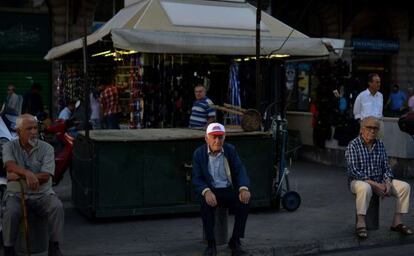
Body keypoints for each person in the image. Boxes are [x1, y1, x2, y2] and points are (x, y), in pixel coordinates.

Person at [1, 114, 64, 256]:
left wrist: (18, 175)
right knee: (10, 212)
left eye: (36, 128)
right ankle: (8, 248)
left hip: (42, 194)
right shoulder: (9, 146)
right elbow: (10, 166)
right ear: (18, 132)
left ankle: (54, 246)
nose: (34, 132)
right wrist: (28, 174)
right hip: (17, 194)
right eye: (29, 129)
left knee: (57, 207)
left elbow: (45, 176)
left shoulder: (47, 148)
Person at [345, 116, 411, 239]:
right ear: (362, 129)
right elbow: (354, 171)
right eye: (369, 127)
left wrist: (387, 183)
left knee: (405, 187)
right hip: (358, 182)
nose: (372, 131)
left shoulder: (379, 144)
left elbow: (386, 168)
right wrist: (375, 185)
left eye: (375, 128)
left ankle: (397, 222)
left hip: (379, 181)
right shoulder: (353, 145)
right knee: (365, 188)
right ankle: (361, 223)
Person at [192, 123, 251, 256]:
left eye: (220, 137)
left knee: (245, 201)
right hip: (210, 190)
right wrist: (206, 191)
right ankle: (211, 244)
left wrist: (243, 188)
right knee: (205, 205)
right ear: (206, 138)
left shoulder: (230, 150)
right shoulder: (199, 154)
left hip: (227, 189)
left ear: (224, 138)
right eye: (214, 137)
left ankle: (235, 241)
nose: (217, 141)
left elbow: (240, 170)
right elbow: (197, 178)